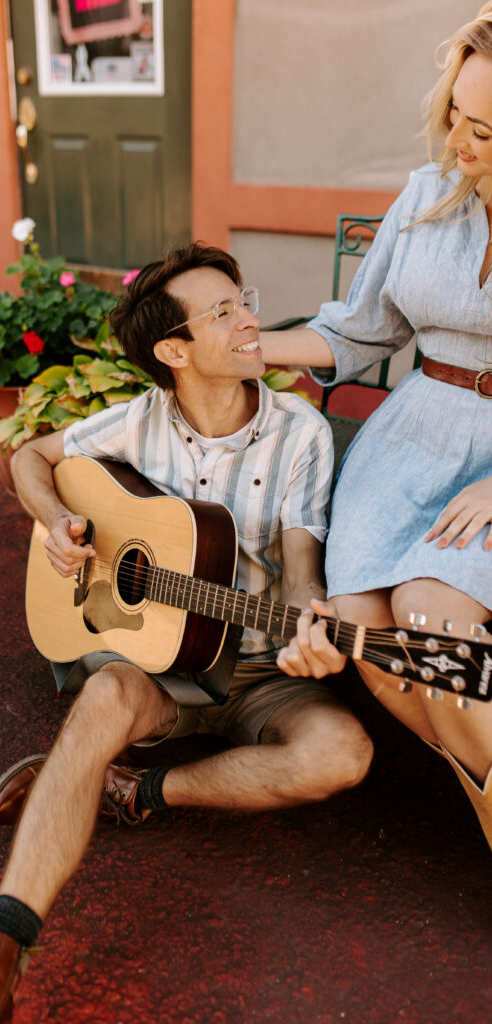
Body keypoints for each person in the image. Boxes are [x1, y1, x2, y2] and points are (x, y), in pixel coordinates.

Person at [0, 243, 373, 1024]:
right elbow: (30, 456)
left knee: (342, 754)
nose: (249, 319)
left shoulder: (300, 432)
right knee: (102, 698)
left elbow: (300, 568)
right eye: (222, 311)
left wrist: (311, 619)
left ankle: (133, 790)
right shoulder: (133, 423)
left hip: (262, 668)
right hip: (164, 671)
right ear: (174, 351)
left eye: (243, 299)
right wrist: (57, 523)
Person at [261, 3, 492, 849]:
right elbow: (359, 331)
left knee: (431, 611)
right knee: (365, 626)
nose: (458, 145)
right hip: (412, 435)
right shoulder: (426, 195)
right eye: (453, 117)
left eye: (485, 132)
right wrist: (249, 348)